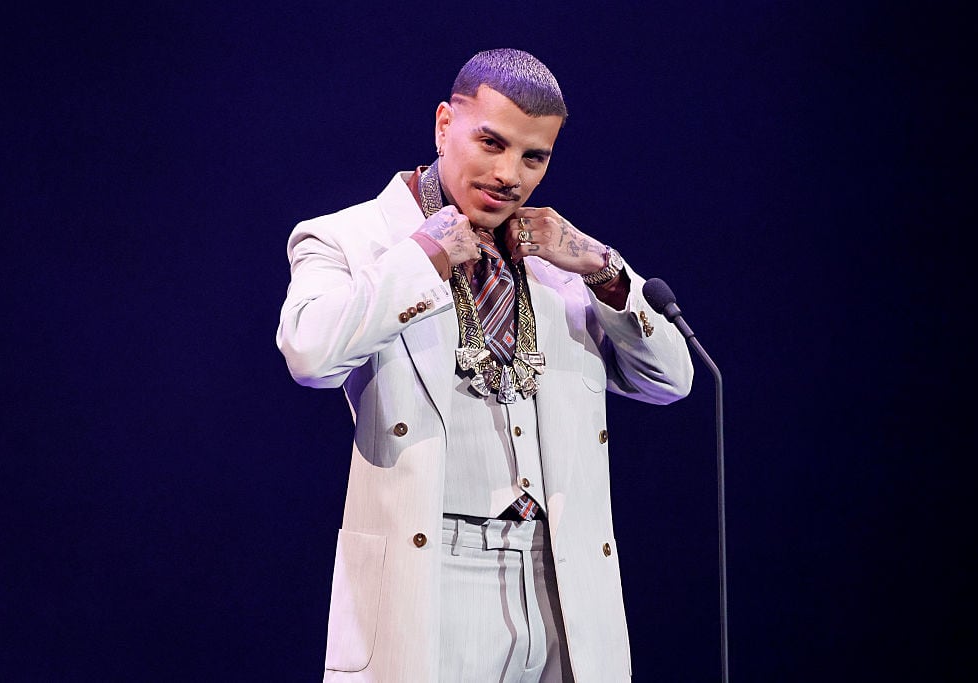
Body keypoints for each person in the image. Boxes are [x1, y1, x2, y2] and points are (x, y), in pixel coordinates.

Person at [277, 48, 694, 683]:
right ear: (444, 124)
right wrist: (424, 256)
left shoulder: (560, 259)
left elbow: (671, 380)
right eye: (491, 143)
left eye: (534, 157)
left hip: (560, 577)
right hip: (432, 573)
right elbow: (310, 354)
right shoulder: (352, 239)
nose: (509, 175)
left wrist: (604, 269)